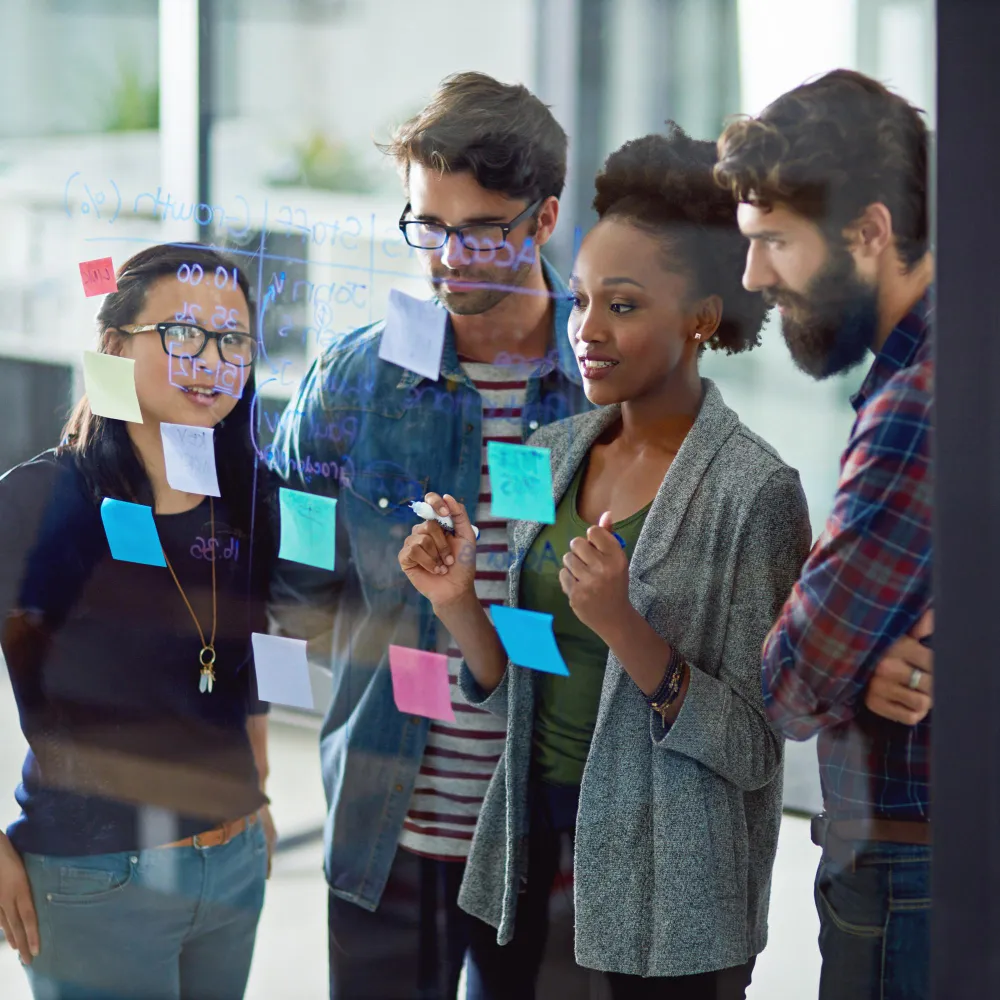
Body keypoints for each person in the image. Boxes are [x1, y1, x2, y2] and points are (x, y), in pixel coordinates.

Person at [397, 125, 813, 1000]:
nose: (585, 329)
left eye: (621, 306)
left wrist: (625, 626)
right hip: (525, 854)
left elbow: (755, 748)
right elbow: (519, 680)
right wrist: (458, 601)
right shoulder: (551, 451)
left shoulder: (756, 492)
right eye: (581, 301)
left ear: (702, 315)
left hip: (669, 892)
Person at [268, 71, 590, 999]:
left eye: (478, 230)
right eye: (425, 226)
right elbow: (297, 585)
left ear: (542, 219)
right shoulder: (355, 379)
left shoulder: (603, 385)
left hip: (551, 835)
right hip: (387, 826)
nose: (445, 259)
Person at [0, 244, 278, 1000]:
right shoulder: (39, 500)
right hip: (95, 876)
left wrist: (255, 791)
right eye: (183, 333)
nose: (212, 360)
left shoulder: (252, 496)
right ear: (117, 346)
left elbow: (248, 658)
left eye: (234, 341)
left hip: (232, 867)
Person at [716, 69, 934, 1000]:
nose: (754, 278)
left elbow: (799, 681)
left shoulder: (915, 404)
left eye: (773, 244)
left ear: (870, 232)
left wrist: (836, 641)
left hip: (907, 874)